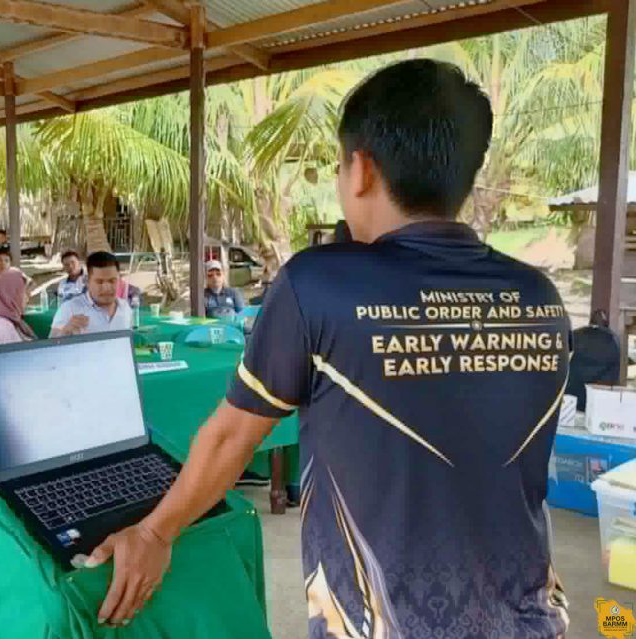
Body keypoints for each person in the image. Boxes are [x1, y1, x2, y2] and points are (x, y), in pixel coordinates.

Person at [87, 60, 572, 638]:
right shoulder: (538, 296)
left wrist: (153, 532)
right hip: (529, 621)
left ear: (360, 169)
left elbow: (231, 436)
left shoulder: (318, 285)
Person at [50, 251, 132, 337]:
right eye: (99, 282)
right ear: (88, 281)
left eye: (112, 281)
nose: (106, 288)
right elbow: (49, 346)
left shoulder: (125, 308)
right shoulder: (69, 309)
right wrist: (65, 332)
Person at [566, 309, 624, 411]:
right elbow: (616, 369)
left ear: (590, 321)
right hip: (599, 396)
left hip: (574, 393)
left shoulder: (576, 334)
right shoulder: (613, 340)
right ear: (607, 324)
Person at [0, 270, 35, 346]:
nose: (29, 297)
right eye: (25, 292)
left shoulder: (6, 319)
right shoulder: (4, 327)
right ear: (10, 294)